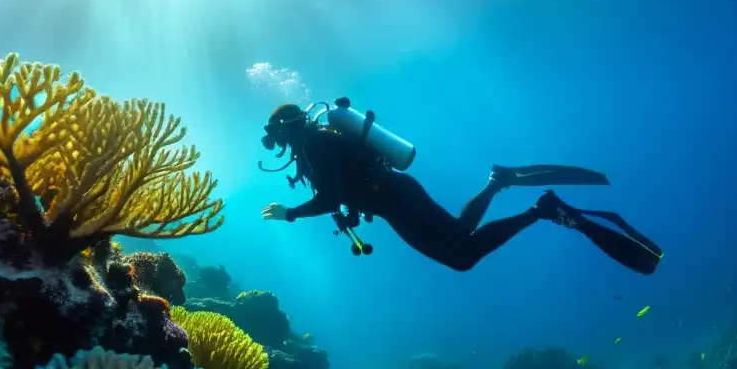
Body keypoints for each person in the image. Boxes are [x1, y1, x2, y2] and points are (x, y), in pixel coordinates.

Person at [259, 103, 662, 274]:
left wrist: (291, 213)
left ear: (287, 130)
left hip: (397, 199)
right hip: (396, 196)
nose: (278, 147)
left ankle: (539, 209)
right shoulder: (318, 144)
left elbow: (330, 195)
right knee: (460, 239)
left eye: (275, 138)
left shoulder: (317, 143)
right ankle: (498, 182)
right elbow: (340, 193)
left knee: (461, 255)